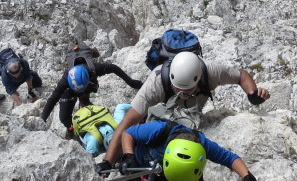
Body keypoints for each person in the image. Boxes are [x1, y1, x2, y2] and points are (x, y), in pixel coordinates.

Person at [103, 51, 270, 165]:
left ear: (198, 80)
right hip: (159, 124)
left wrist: (252, 93)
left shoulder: (210, 71)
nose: (183, 93)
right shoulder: (156, 82)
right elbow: (128, 123)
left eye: (188, 89)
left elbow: (241, 76)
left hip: (189, 123)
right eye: (178, 89)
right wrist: (107, 162)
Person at [96, 121, 260, 181]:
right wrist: (128, 155)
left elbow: (229, 158)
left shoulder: (202, 145)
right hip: (139, 163)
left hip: (176, 170)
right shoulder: (158, 131)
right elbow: (128, 133)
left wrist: (248, 177)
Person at [41, 49, 142, 134]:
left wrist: (132, 82)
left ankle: (93, 117)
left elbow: (114, 68)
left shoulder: (94, 68)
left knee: (86, 102)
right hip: (70, 90)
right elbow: (53, 99)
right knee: (64, 118)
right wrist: (42, 119)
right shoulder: (64, 81)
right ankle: (71, 129)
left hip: (87, 84)